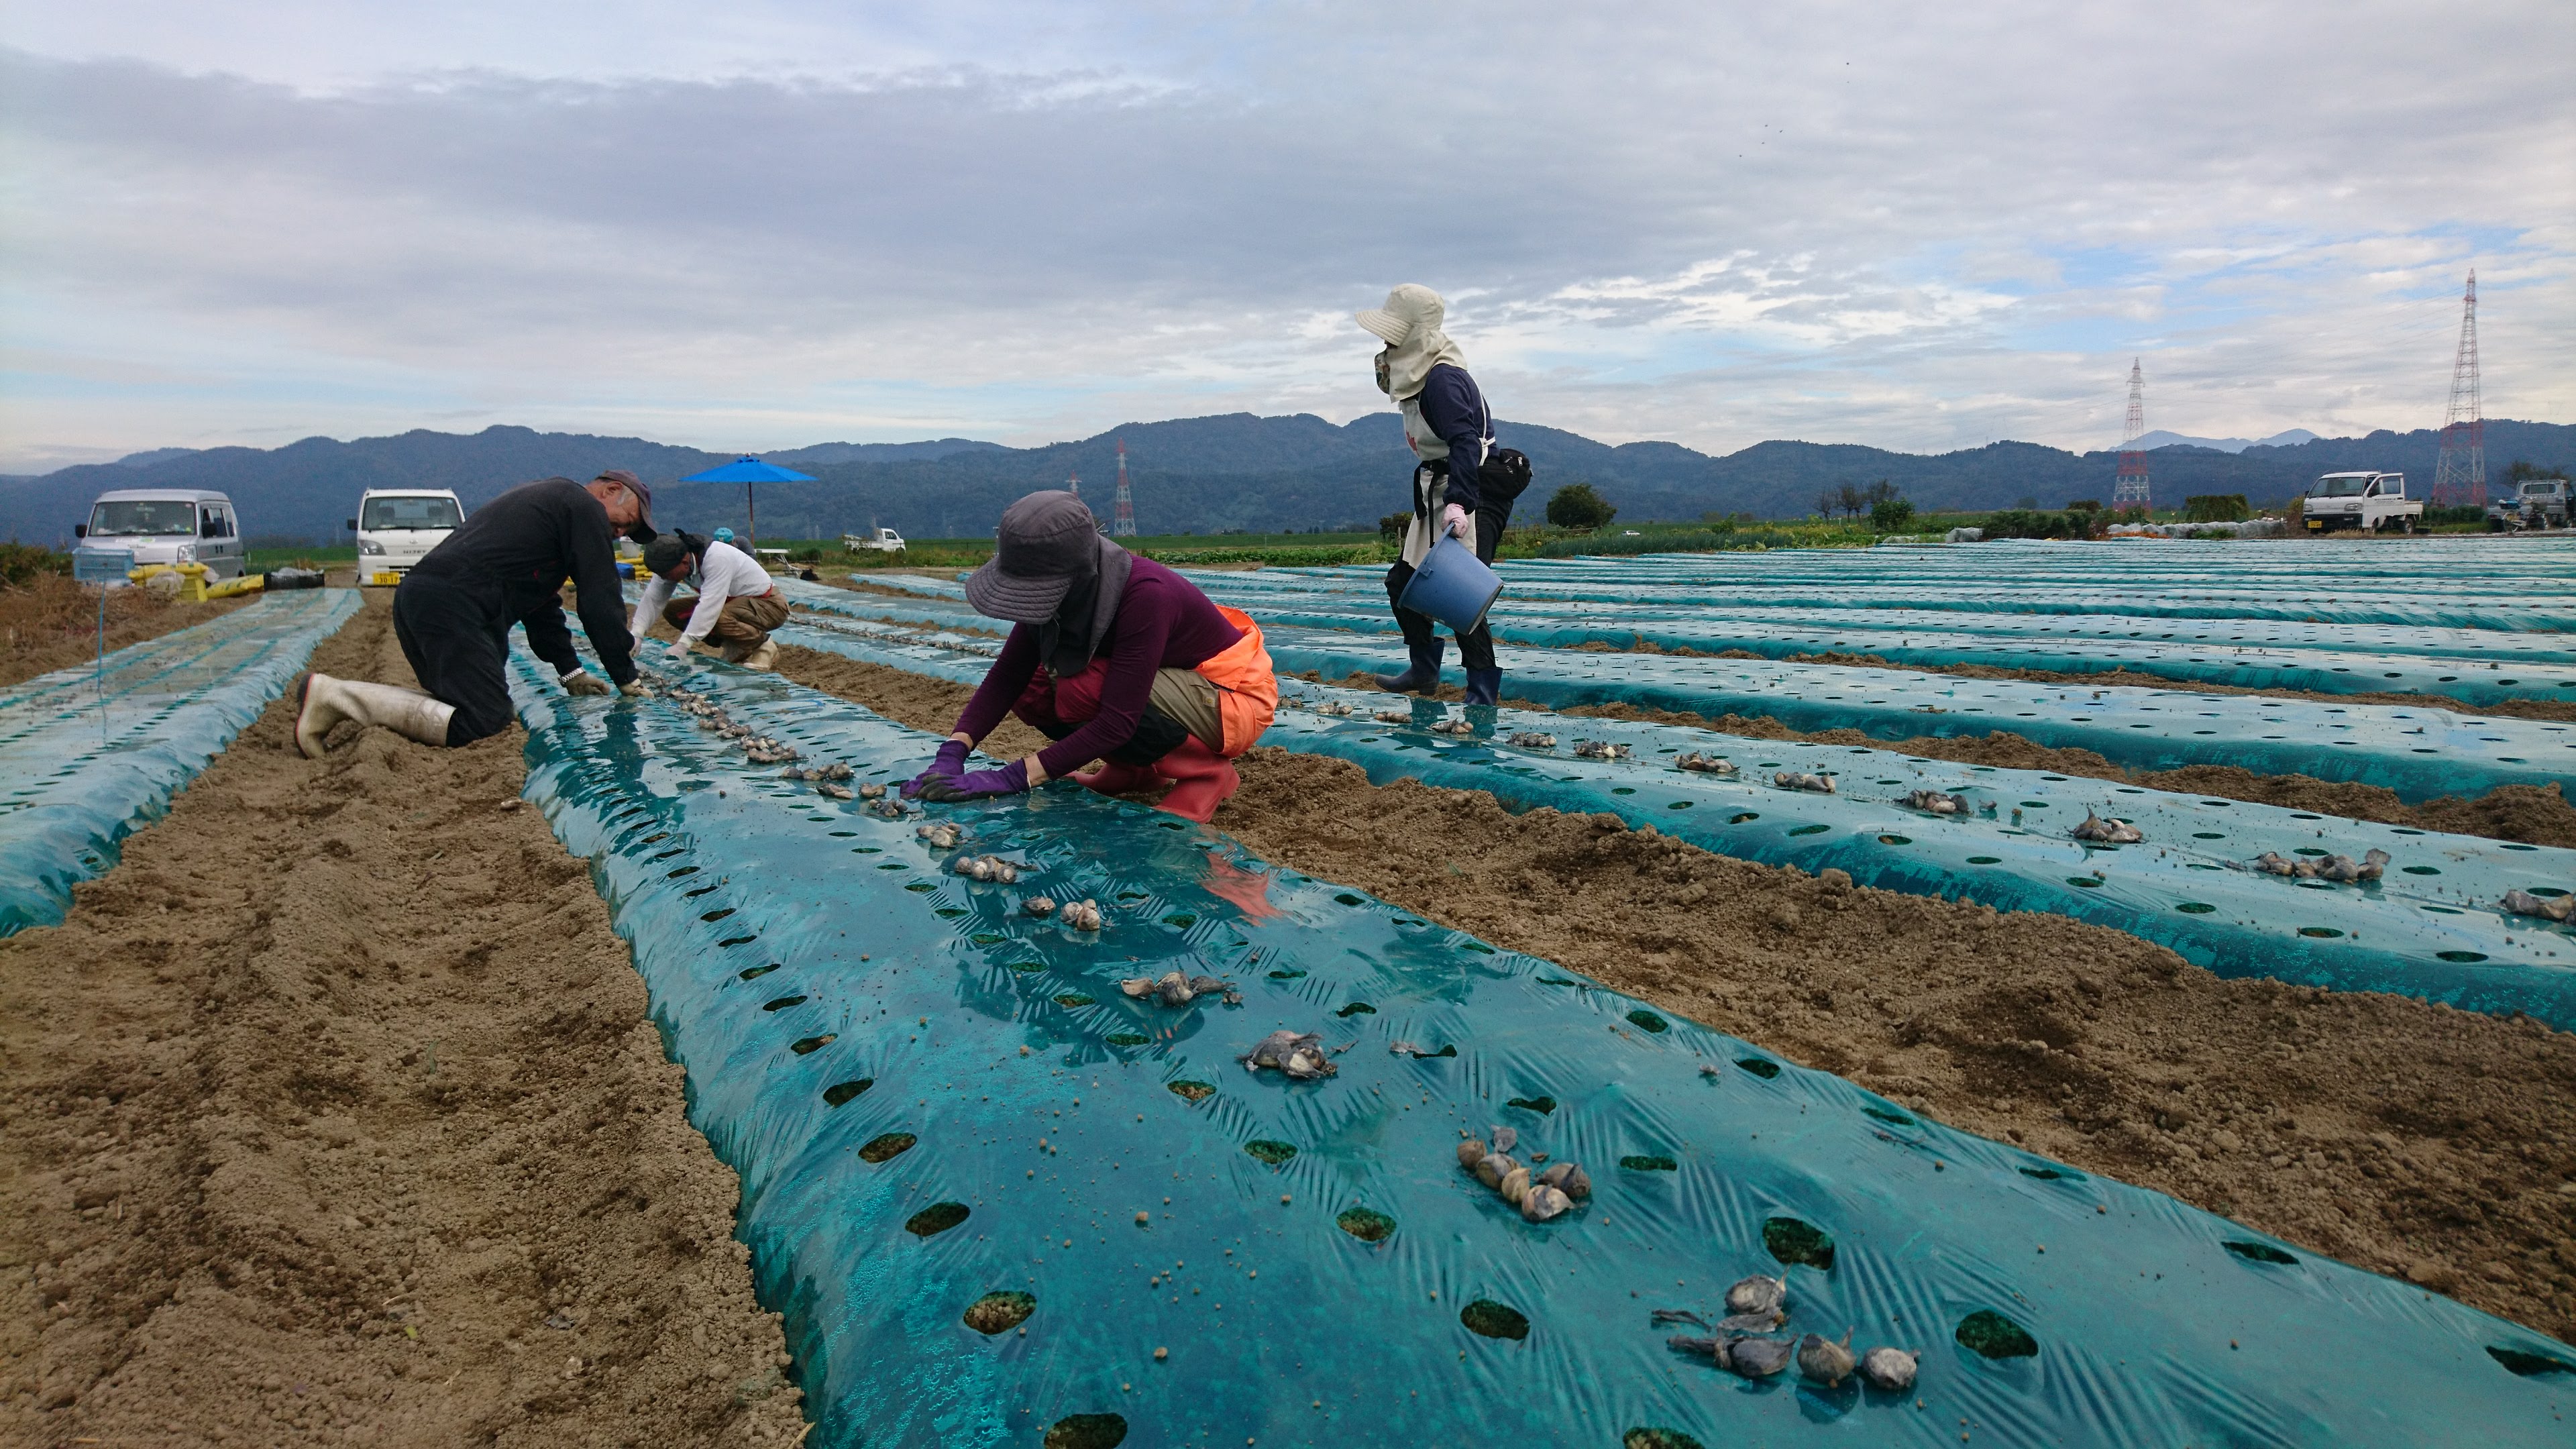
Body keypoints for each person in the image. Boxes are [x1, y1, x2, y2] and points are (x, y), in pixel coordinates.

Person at [906, 490, 1277, 822]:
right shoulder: (1062, 598)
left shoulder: (1147, 595)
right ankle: (1135, 771)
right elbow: (1007, 677)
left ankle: (1206, 773)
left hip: (1230, 698)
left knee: (1082, 687)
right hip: (1171, 686)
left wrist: (1014, 777)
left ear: (1077, 575)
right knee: (1033, 687)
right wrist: (953, 752)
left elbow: (1118, 721)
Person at [294, 470, 655, 756]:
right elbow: (600, 595)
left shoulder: (555, 508)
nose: (619, 533)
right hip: (450, 606)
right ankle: (333, 697)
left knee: (462, 707)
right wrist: (625, 674)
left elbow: (541, 606)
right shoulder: (581, 506)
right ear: (610, 490)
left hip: (431, 603)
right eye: (625, 522)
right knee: (486, 720)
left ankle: (341, 698)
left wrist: (570, 671)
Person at [1356, 283, 1515, 706]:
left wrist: (1461, 503)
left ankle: (1482, 690)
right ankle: (1424, 668)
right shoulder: (1421, 372)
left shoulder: (1442, 380)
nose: (1386, 344)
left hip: (1467, 489)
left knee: (1460, 596)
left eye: (1393, 334)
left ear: (1414, 333)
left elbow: (1465, 441)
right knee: (1402, 581)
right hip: (1438, 489)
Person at [631, 529, 788, 669]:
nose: (664, 578)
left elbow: (710, 604)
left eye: (666, 574)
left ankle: (764, 648)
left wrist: (684, 644)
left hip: (768, 605)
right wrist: (637, 634)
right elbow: (653, 598)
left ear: (684, 562)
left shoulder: (716, 558)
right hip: (734, 605)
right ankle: (737, 645)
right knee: (674, 611)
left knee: (715, 616)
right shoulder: (673, 564)